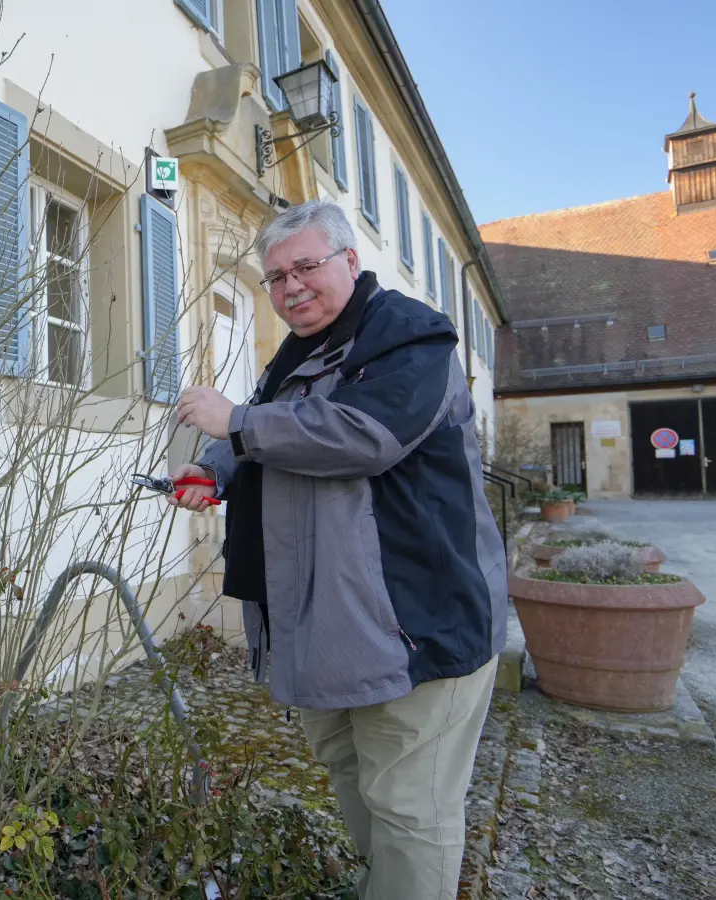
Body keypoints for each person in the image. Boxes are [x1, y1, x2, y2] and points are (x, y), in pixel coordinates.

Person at [171, 199, 507, 900]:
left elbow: (360, 436)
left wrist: (235, 423)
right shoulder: (296, 356)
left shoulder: (409, 339)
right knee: (354, 778)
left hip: (415, 624)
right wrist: (214, 468)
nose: (290, 287)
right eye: (275, 277)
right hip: (325, 626)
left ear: (350, 261)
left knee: (411, 808)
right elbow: (271, 434)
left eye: (306, 267)